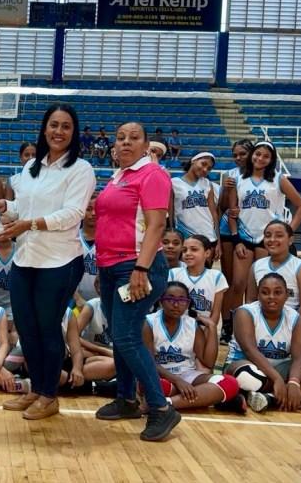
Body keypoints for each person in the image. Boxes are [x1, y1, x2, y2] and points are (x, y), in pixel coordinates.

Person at [0, 103, 95, 420]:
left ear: (73, 132)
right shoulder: (30, 168)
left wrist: (29, 223)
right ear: (44, 128)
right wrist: (6, 207)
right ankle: (37, 389)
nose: (59, 131)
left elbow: (72, 214)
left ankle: (50, 395)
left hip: (60, 262)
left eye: (66, 126)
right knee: (26, 327)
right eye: (54, 125)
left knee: (49, 328)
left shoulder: (81, 170)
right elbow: (22, 209)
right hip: (26, 259)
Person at [92, 120, 181, 441]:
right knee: (120, 334)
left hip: (138, 267)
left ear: (146, 146)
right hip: (111, 268)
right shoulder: (118, 177)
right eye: (120, 138)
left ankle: (160, 408)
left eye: (134, 138)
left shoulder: (153, 174)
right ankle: (127, 400)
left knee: (128, 336)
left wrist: (140, 270)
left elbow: (156, 225)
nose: (125, 142)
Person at [226, 273, 301, 413]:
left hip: (282, 367)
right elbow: (250, 351)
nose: (271, 297)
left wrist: (294, 382)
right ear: (258, 294)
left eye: (278, 292)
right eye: (265, 292)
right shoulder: (245, 313)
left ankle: (270, 398)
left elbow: (300, 357)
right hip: (249, 364)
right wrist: (277, 379)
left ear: (287, 295)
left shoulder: (295, 319)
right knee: (245, 375)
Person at [227, 140, 301, 327]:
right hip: (244, 237)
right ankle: (233, 324)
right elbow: (232, 213)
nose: (260, 158)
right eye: (257, 154)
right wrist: (236, 239)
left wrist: (287, 233)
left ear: (271, 160)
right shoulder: (238, 180)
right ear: (252, 154)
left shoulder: (279, 179)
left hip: (267, 240)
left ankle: (256, 323)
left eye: (266, 156)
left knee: (259, 285)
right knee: (238, 284)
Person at [144, 282, 243, 413]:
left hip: (187, 374)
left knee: (230, 383)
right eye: (170, 299)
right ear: (161, 301)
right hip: (160, 374)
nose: (176, 304)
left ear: (187, 303)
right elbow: (148, 362)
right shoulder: (149, 322)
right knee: (155, 386)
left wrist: (212, 328)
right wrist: (178, 382)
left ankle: (167, 403)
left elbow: (208, 362)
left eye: (181, 300)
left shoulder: (192, 324)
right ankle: (203, 398)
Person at [247, 221, 301, 343]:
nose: (272, 239)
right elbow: (251, 301)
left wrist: (286, 328)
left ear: (290, 240)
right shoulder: (256, 266)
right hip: (264, 323)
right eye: (267, 235)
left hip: (296, 324)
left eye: (279, 235)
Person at [217, 139, 253, 343]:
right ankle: (227, 326)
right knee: (230, 281)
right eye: (235, 155)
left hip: (252, 233)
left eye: (242, 154)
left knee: (249, 282)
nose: (238, 158)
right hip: (228, 231)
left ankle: (247, 324)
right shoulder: (230, 175)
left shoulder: (264, 176)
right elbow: (222, 207)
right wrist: (224, 189)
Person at [169, 235, 227, 322]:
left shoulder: (216, 277)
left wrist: (208, 332)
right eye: (184, 250)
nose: (188, 253)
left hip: (204, 330)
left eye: (194, 249)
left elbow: (215, 315)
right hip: (177, 329)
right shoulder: (173, 273)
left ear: (207, 253)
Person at [170, 151, 218, 243]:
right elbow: (171, 212)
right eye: (203, 164)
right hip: (185, 234)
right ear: (193, 161)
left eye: (209, 168)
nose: (205, 169)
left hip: (208, 235)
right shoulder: (174, 183)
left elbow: (214, 214)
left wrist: (218, 241)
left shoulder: (207, 184)